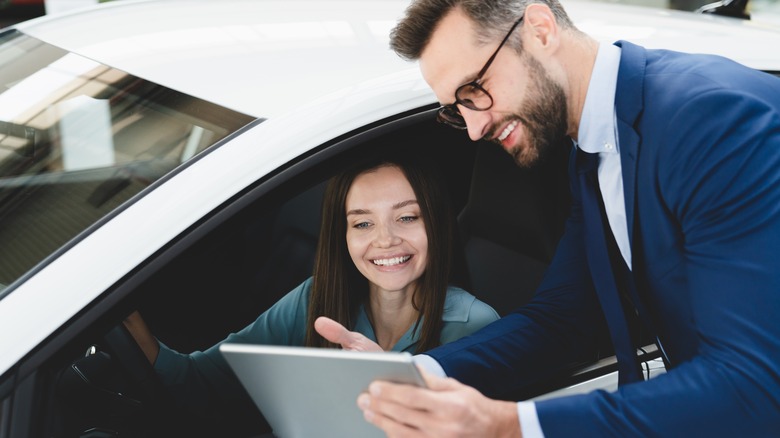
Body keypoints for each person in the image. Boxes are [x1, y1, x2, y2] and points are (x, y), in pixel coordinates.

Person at [314, 0, 780, 436]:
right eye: (457, 110)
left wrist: (506, 425)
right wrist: (409, 377)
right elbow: (567, 317)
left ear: (539, 29)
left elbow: (753, 384)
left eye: (474, 90)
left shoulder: (713, 120)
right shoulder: (593, 144)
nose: (474, 129)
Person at [123, 155, 499, 420]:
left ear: (436, 224)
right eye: (362, 224)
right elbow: (204, 382)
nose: (386, 240)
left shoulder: (476, 325)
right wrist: (125, 321)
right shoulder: (315, 299)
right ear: (343, 234)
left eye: (406, 217)